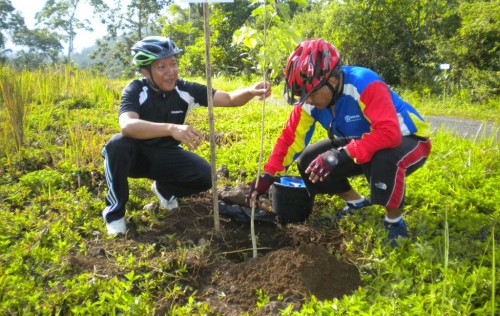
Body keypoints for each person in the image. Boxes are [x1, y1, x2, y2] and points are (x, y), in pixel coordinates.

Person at [247, 38, 431, 246]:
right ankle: (356, 202)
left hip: (408, 140)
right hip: (363, 141)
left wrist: (340, 154)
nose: (306, 100)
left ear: (332, 82)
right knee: (309, 160)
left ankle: (394, 221)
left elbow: (389, 134)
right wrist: (268, 174)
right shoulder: (309, 101)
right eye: (302, 95)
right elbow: (290, 139)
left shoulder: (365, 83)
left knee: (384, 158)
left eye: (310, 94)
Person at [102, 36, 271, 236]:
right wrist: (171, 128)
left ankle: (165, 190)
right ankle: (114, 215)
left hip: (166, 155)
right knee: (117, 144)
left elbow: (229, 98)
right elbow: (128, 126)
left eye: (173, 64)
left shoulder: (185, 90)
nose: (170, 72)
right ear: (145, 72)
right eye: (161, 67)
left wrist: (251, 91)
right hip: (136, 156)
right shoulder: (136, 89)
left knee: (206, 174)